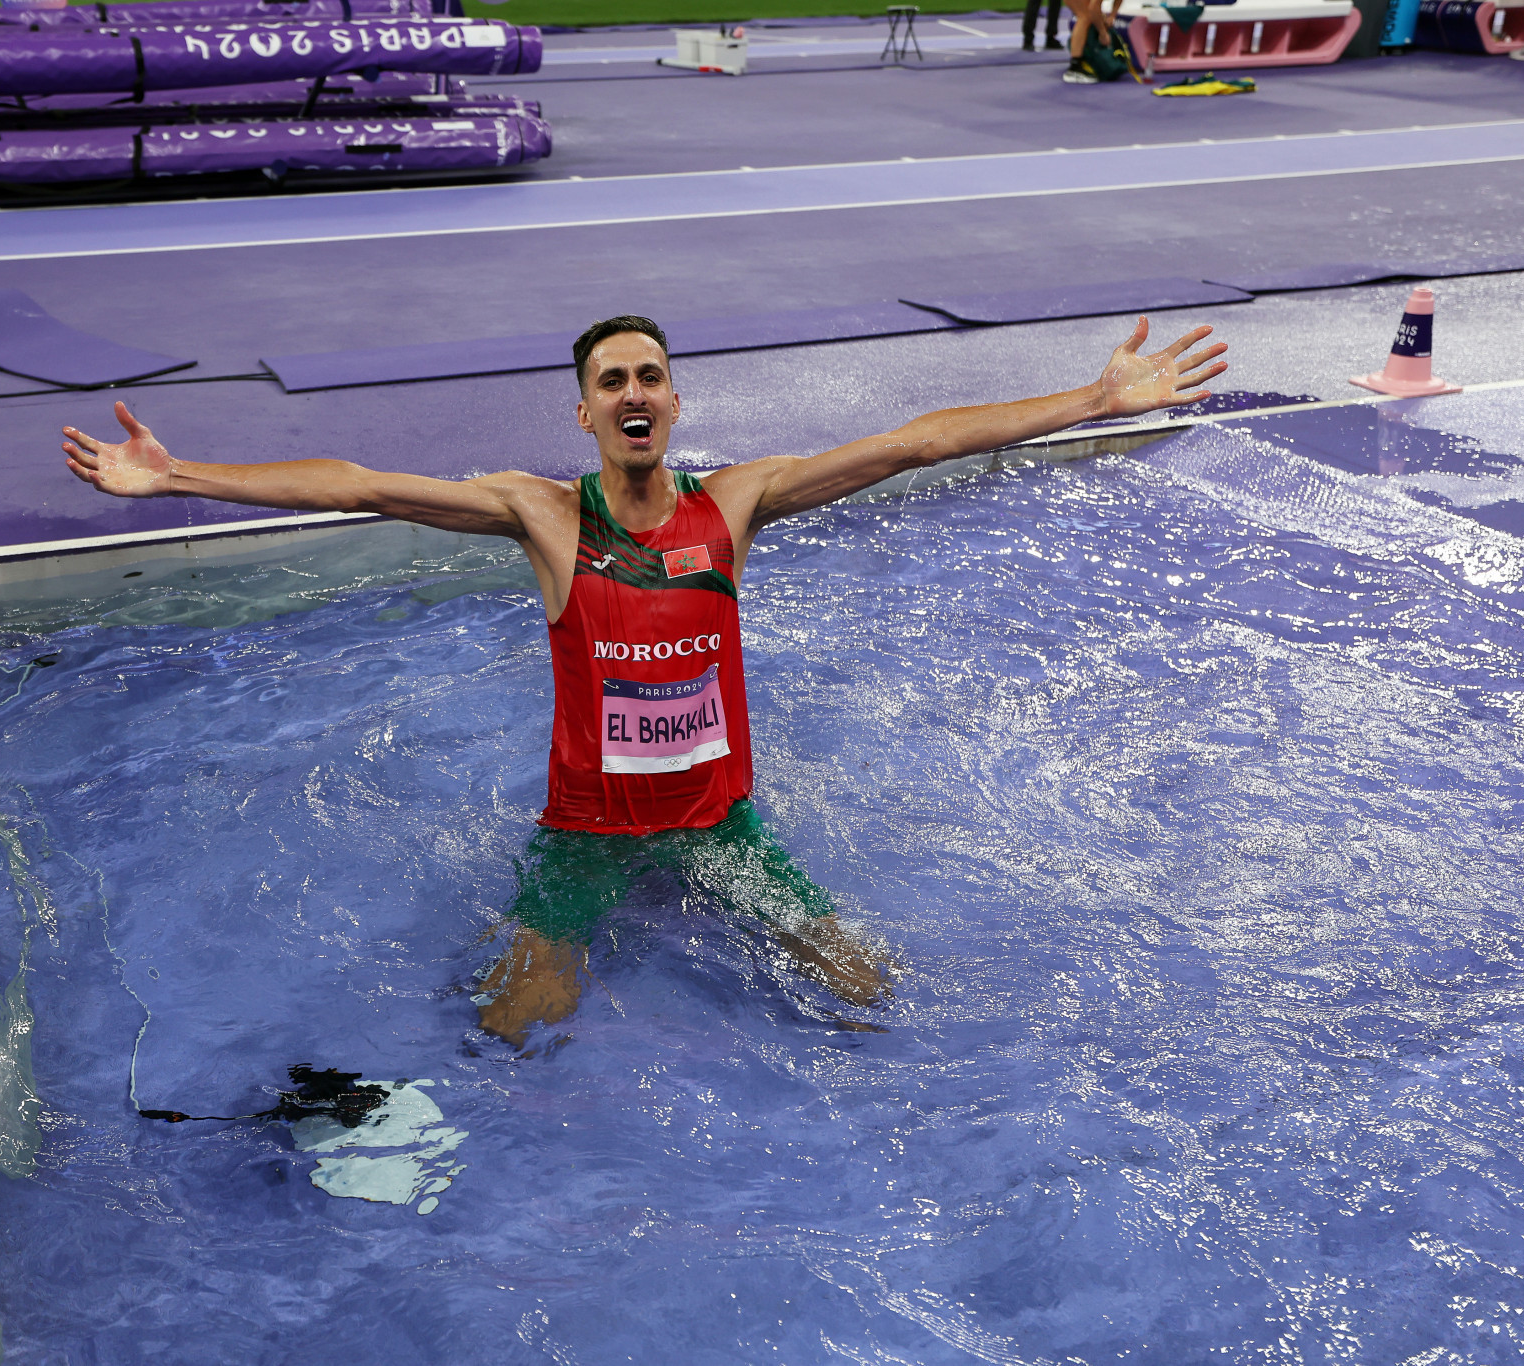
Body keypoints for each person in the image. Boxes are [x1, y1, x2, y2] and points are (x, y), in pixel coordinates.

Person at [63, 315, 1228, 1044]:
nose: (632, 391)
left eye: (650, 375)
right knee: (516, 1027)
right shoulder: (539, 513)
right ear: (584, 410)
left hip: (718, 824)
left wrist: (1090, 401)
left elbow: (916, 442)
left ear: (674, 403)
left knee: (863, 991)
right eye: (610, 378)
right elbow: (362, 482)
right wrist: (181, 479)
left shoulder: (734, 503)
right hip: (587, 832)